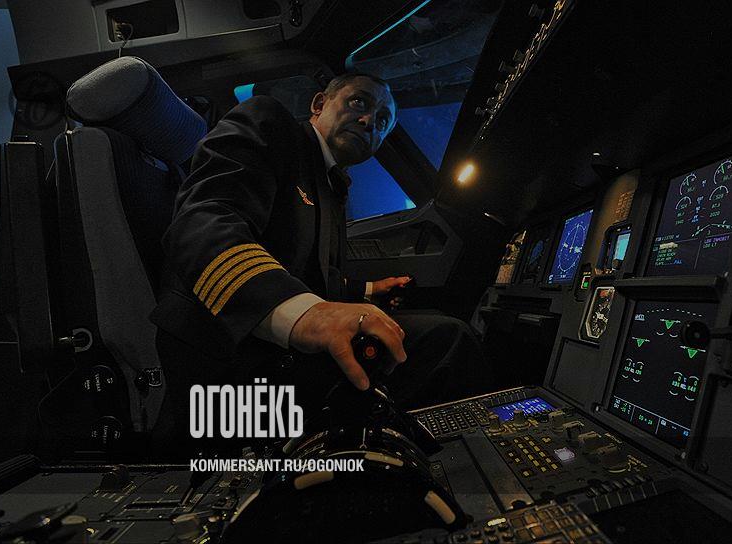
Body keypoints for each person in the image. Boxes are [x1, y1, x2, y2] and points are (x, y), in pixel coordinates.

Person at [151, 73, 488, 452]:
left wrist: (369, 291)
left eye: (382, 121)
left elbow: (311, 275)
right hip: (230, 370)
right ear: (318, 104)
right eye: (359, 102)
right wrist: (306, 315)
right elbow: (202, 224)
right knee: (449, 342)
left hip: (278, 358)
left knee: (432, 329)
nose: (368, 121)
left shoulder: (331, 183)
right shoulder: (269, 124)